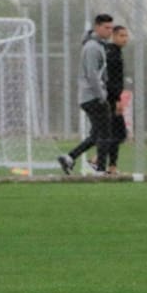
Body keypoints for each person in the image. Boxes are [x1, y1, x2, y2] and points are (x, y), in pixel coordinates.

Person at [58, 14, 114, 175]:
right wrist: (101, 96)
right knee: (105, 133)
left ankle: (69, 157)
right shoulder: (92, 47)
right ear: (97, 28)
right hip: (93, 97)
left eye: (111, 28)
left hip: (91, 96)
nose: (109, 31)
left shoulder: (98, 45)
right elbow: (92, 74)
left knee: (96, 134)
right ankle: (101, 169)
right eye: (106, 28)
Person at [104, 25, 130, 174]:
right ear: (113, 36)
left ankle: (111, 166)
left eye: (126, 36)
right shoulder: (112, 54)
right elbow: (112, 80)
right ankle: (99, 160)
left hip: (111, 97)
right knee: (119, 133)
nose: (125, 39)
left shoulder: (116, 52)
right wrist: (117, 100)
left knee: (115, 133)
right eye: (121, 35)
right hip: (111, 99)